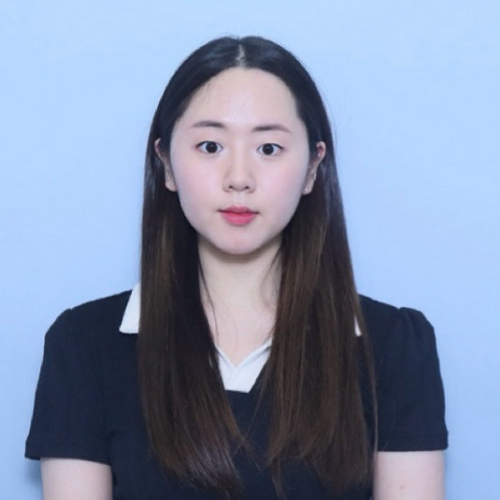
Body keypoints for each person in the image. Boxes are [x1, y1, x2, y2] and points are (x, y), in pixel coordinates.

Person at [25, 35, 448, 500]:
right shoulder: (85, 345)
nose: (239, 178)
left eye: (268, 148)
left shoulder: (393, 346)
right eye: (210, 146)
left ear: (312, 167)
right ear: (165, 162)